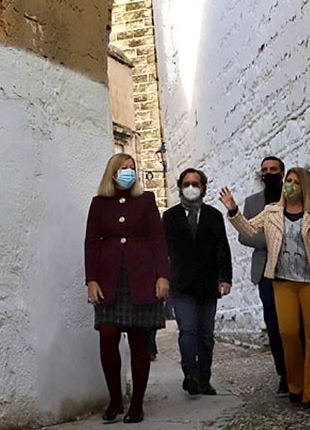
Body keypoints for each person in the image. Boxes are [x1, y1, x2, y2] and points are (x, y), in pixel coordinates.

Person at [219, 167, 310, 410]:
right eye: (289, 181)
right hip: (282, 280)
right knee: (288, 333)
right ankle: (295, 385)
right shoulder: (272, 212)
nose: (291, 185)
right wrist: (233, 210)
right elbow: (250, 229)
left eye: (296, 182)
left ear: (305, 187)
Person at [85, 153, 171, 424]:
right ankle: (114, 400)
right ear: (112, 174)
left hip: (142, 277)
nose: (128, 172)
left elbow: (158, 239)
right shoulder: (99, 204)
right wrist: (92, 280)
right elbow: (91, 242)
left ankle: (137, 404)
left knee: (138, 340)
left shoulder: (146, 201)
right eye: (123, 169)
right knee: (108, 335)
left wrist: (163, 277)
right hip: (110, 279)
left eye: (132, 168)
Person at [162, 168, 232, 396]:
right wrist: (162, 278)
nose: (191, 187)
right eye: (186, 183)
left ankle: (205, 378)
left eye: (196, 183)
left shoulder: (213, 215)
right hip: (181, 284)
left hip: (208, 284)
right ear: (180, 187)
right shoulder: (170, 217)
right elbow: (163, 251)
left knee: (206, 334)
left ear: (203, 188)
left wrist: (225, 278)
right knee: (188, 331)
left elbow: (223, 247)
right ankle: (190, 374)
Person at [238, 156, 293, 395]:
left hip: (293, 269)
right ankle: (284, 374)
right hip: (265, 272)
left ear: (282, 173)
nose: (269, 173)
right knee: (274, 325)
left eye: (273, 169)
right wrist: (273, 240)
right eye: (265, 170)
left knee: (294, 325)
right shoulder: (252, 202)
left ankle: (300, 370)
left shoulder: (293, 197)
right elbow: (245, 233)